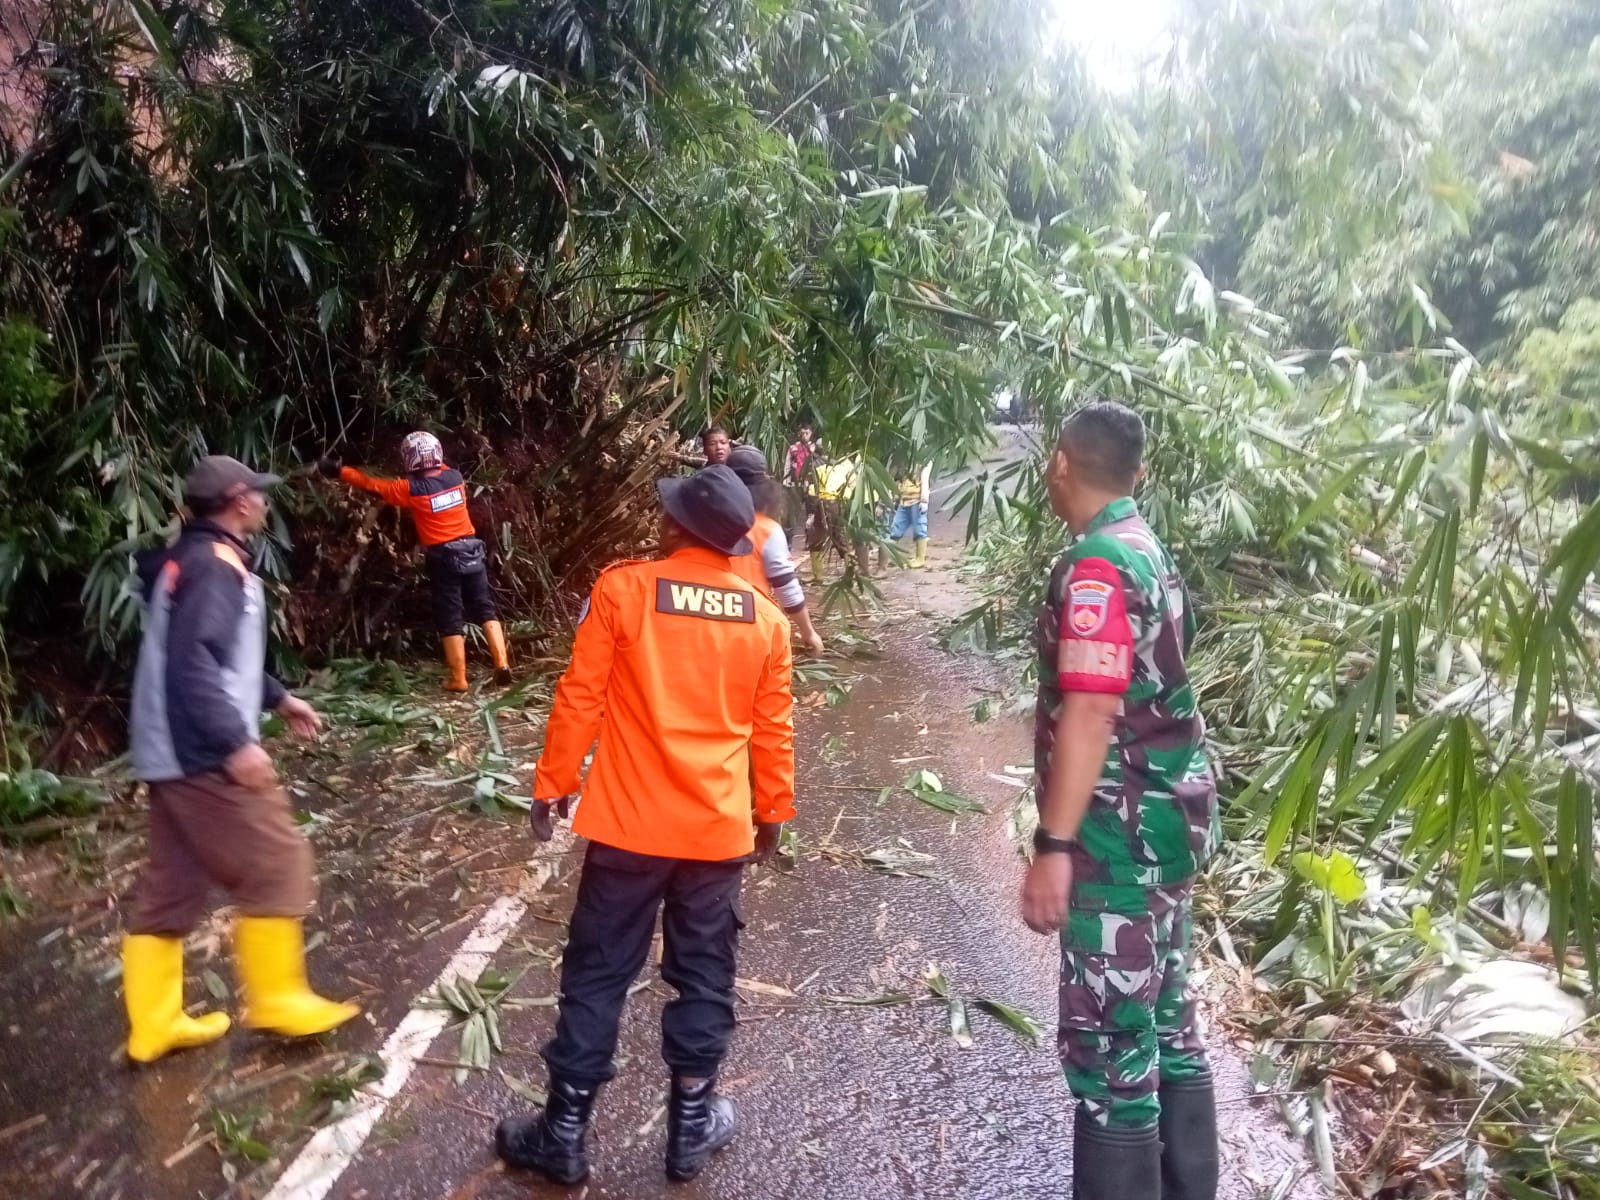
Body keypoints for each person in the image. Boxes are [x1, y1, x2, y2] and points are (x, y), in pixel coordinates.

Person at [494, 465, 795, 1186]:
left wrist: (554, 783)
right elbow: (772, 732)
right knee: (704, 975)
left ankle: (564, 1132)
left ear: (673, 529)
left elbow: (580, 695)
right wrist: (773, 812)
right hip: (715, 835)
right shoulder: (765, 619)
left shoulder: (624, 588)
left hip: (628, 828)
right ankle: (691, 1129)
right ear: (735, 541)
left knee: (597, 973)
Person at [1020, 400, 1220, 1200]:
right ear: (1137, 474)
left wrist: (1055, 846)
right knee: (1169, 1026)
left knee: (1111, 1050)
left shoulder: (1098, 567)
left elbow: (1095, 709)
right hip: (1171, 830)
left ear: (1061, 465)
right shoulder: (1149, 549)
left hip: (1118, 840)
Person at [121, 455, 359, 1064]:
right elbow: (193, 663)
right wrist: (236, 744)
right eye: (257, 493)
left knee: (171, 885)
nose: (264, 501)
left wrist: (277, 698)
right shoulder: (215, 565)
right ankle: (279, 999)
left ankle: (155, 1024)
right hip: (199, 749)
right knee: (277, 857)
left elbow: (219, 653)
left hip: (165, 746)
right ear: (237, 500)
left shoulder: (192, 559)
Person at [318, 432, 512, 692]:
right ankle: (501, 663)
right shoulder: (455, 478)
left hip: (444, 558)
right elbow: (436, 468)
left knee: (450, 615)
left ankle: (458, 678)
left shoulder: (411, 490)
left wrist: (339, 471)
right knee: (484, 608)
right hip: (472, 551)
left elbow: (371, 485)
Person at [725, 445, 826, 653]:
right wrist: (809, 633)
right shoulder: (767, 530)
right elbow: (786, 587)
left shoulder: (703, 523)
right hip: (748, 622)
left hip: (705, 618)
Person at [807, 449, 861, 584]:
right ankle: (846, 574)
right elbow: (853, 486)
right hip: (837, 504)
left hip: (826, 504)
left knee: (822, 539)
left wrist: (811, 513)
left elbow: (812, 491)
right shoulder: (846, 465)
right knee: (838, 539)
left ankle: (845, 574)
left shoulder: (819, 467)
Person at [885, 461, 932, 569]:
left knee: (919, 529)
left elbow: (925, 482)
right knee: (896, 528)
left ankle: (920, 558)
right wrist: (896, 499)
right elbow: (901, 482)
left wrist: (924, 501)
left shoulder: (923, 461)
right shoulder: (905, 462)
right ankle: (893, 556)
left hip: (916, 501)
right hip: (904, 501)